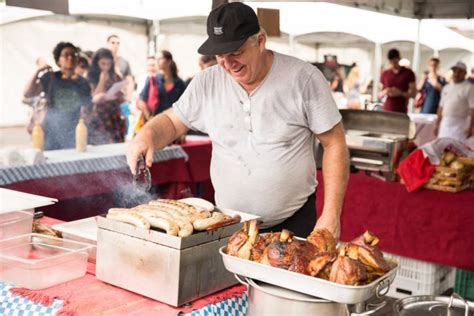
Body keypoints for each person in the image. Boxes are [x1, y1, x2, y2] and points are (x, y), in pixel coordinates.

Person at [127, 3, 349, 239]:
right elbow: (172, 122)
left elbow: (334, 143)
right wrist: (146, 136)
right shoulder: (207, 82)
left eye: (236, 52)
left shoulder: (303, 79)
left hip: (293, 223)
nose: (227, 63)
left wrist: (331, 215)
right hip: (229, 224)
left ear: (260, 41)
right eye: (220, 55)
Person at [24, 42, 92, 150]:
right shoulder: (50, 78)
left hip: (73, 133)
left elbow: (87, 109)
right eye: (66, 55)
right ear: (58, 59)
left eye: (73, 55)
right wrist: (38, 71)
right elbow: (28, 93)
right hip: (50, 132)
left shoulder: (83, 83)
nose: (70, 58)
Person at [87, 48, 126, 144]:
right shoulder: (91, 76)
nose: (106, 67)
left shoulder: (116, 76)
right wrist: (102, 80)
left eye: (109, 64)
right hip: (98, 117)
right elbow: (93, 97)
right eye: (103, 64)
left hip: (113, 116)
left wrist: (120, 95)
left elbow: (122, 98)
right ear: (97, 63)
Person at [137, 50, 186, 119]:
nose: (156, 61)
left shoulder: (179, 83)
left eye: (160, 59)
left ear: (168, 61)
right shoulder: (153, 80)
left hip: (173, 122)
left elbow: (184, 105)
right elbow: (142, 100)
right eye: (156, 59)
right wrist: (149, 117)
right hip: (154, 120)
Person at [434, 62, 474, 144]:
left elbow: (473, 108)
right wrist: (437, 124)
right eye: (455, 71)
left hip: (460, 124)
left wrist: (471, 127)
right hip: (445, 124)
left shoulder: (469, 88)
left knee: (457, 150)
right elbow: (441, 107)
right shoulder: (446, 87)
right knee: (442, 148)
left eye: (459, 72)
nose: (456, 74)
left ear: (465, 73)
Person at [379, 49, 416, 113]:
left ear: (399, 59)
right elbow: (379, 94)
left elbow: (413, 94)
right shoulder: (385, 74)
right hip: (387, 109)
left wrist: (400, 93)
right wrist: (386, 91)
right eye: (391, 62)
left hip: (401, 110)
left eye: (395, 62)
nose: (393, 64)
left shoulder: (408, 73)